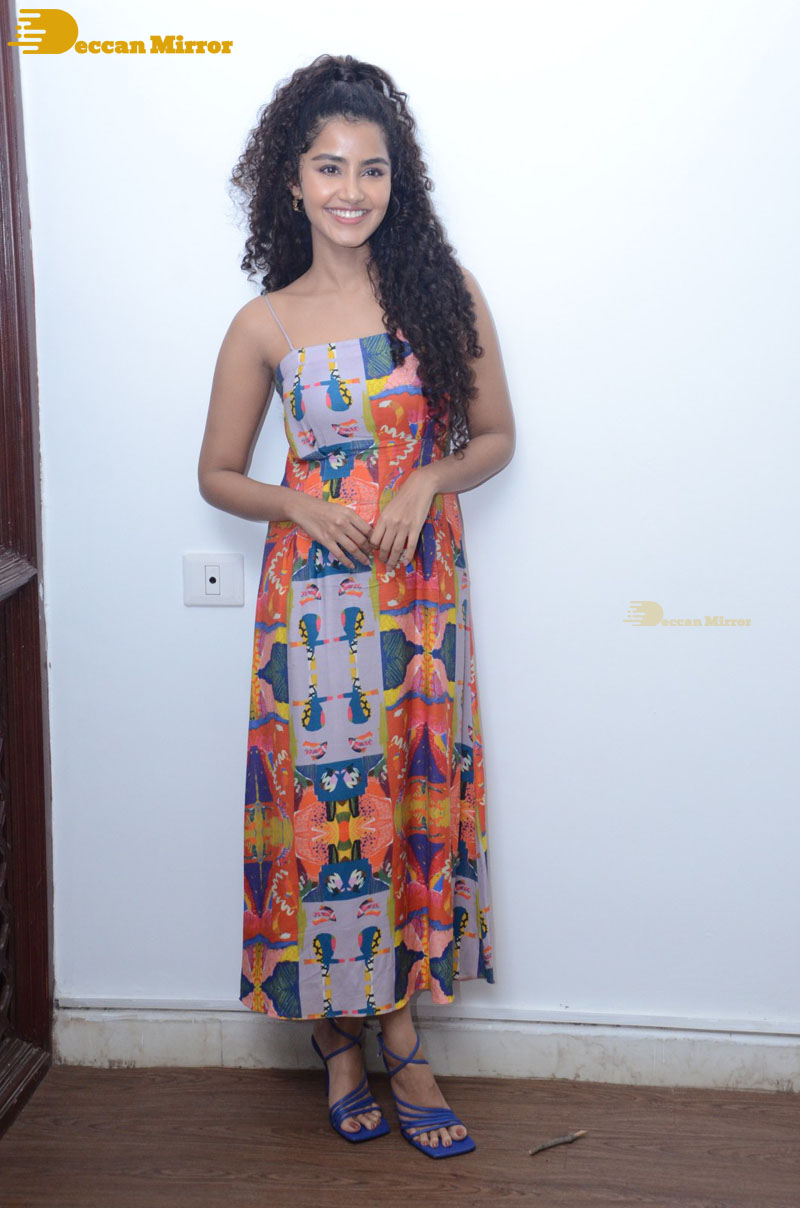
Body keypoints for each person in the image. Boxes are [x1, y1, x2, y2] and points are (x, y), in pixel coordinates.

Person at [198, 53, 515, 1159]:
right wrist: (295, 500)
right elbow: (217, 474)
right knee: (327, 815)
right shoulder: (265, 323)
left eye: (370, 169)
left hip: (419, 598)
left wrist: (428, 479)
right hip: (313, 606)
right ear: (291, 181)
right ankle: (340, 1039)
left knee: (410, 801)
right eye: (328, 167)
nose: (350, 189)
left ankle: (404, 1033)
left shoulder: (440, 292)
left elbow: (496, 437)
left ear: (395, 180)